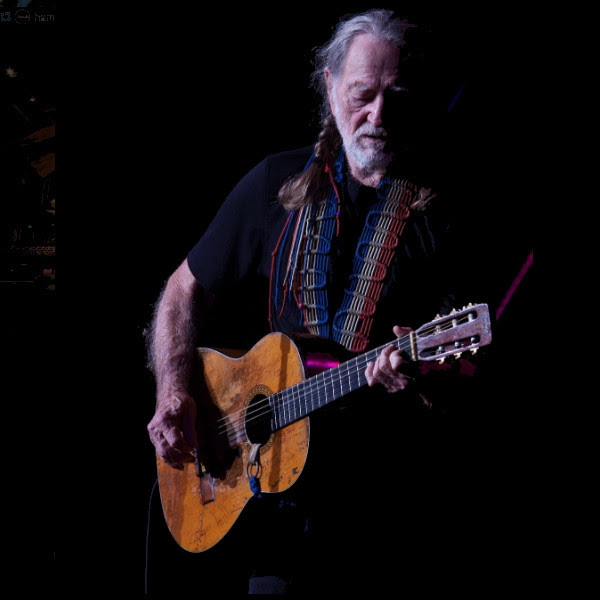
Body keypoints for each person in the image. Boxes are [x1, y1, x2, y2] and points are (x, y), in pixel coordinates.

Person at [146, 9, 487, 595]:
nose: (378, 115)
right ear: (329, 88)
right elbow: (183, 289)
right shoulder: (274, 186)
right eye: (362, 94)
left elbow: (472, 371)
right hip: (268, 515)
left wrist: (426, 382)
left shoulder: (446, 220)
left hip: (384, 516)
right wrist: (174, 386)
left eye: (395, 95)